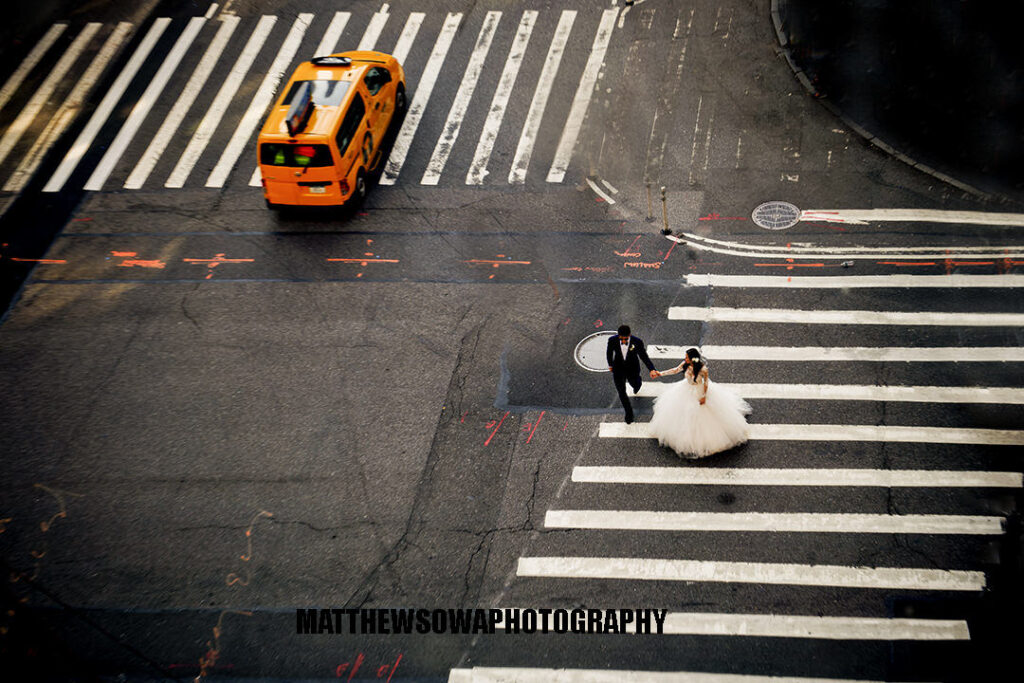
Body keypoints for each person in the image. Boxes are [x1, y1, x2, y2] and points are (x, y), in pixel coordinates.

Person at [648, 347, 751, 458]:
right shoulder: (685, 364)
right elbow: (675, 370)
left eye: (687, 357)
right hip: (686, 388)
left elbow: (705, 384)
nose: (685, 359)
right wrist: (660, 374)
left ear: (693, 358)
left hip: (698, 391)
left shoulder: (703, 369)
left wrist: (703, 396)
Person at [606, 325, 656, 424]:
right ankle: (629, 413)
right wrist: (610, 365)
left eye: (625, 338)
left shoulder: (637, 342)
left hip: (632, 369)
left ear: (629, 335)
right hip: (618, 369)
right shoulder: (612, 340)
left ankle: (638, 384)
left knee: (635, 383)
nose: (623, 340)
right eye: (621, 338)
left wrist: (651, 369)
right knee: (621, 392)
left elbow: (643, 356)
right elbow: (609, 352)